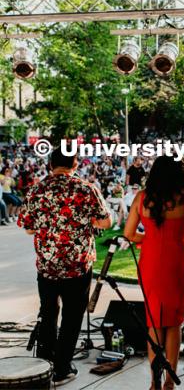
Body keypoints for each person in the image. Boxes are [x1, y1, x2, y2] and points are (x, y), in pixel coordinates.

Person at [17, 148, 111, 386]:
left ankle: (44, 365)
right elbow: (106, 222)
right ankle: (61, 369)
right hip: (77, 265)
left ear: (50, 164)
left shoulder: (36, 190)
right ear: (75, 164)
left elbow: (28, 228)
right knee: (71, 316)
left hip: (47, 265)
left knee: (48, 313)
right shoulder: (86, 189)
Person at [123, 156, 184, 390]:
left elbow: (129, 234)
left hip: (150, 263)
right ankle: (170, 381)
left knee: (155, 322)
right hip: (176, 261)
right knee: (174, 322)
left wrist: (148, 242)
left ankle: (154, 381)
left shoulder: (142, 198)